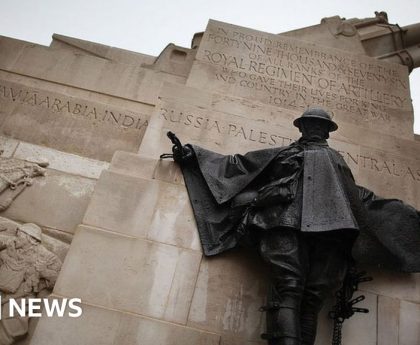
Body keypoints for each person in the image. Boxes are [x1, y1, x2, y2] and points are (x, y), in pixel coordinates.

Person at [166, 107, 420, 345]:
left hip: (311, 230)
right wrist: (195, 155)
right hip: (299, 226)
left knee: (304, 295)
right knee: (297, 292)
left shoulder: (331, 160)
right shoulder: (291, 155)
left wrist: (399, 215)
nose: (314, 129)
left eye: (317, 125)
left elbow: (356, 197)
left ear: (324, 130)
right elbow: (239, 167)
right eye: (312, 124)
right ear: (305, 128)